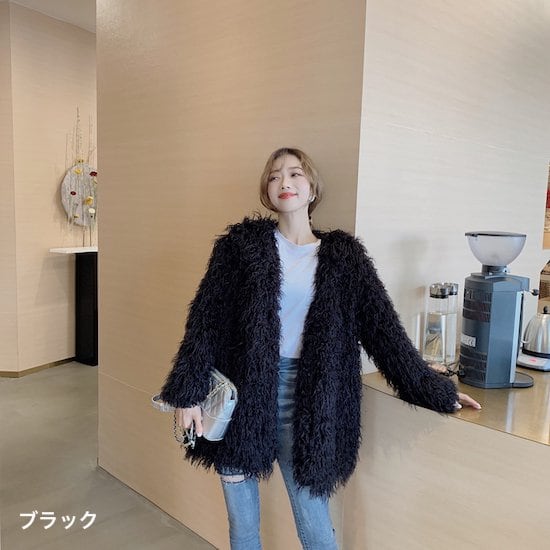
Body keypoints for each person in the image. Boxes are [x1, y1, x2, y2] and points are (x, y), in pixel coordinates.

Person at [159, 147, 481, 550]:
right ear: (266, 191)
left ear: (312, 189)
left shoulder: (344, 257)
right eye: (274, 176)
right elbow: (206, 320)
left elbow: (384, 331)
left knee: (314, 525)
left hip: (308, 399)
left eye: (295, 174)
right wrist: (188, 393)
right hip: (242, 395)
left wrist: (434, 390)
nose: (284, 182)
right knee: (243, 528)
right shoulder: (240, 248)